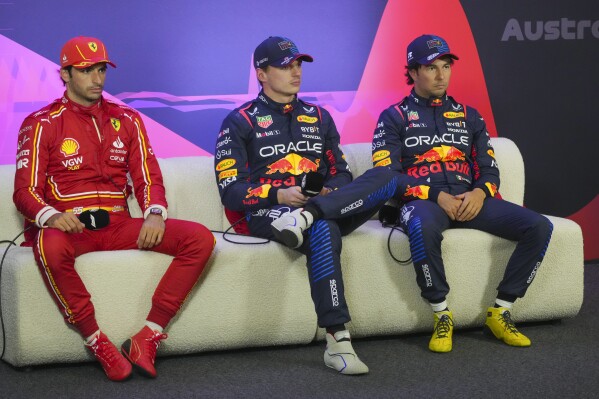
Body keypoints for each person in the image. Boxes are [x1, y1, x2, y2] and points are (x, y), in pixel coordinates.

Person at [13, 36, 215, 381]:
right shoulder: (42, 122)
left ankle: (147, 336)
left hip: (119, 225)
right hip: (71, 228)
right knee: (48, 244)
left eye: (102, 69)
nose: (97, 78)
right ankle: (97, 341)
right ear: (64, 74)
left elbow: (148, 176)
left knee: (200, 239)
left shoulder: (128, 119)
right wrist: (54, 216)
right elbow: (25, 192)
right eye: (86, 70)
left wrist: (154, 212)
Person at [215, 36, 399, 375]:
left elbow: (342, 174)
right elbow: (231, 191)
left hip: (319, 208)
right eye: (286, 66)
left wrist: (328, 192)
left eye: (298, 64)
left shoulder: (319, 116)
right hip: (268, 214)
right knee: (325, 229)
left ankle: (309, 216)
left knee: (388, 177)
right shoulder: (240, 121)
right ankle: (338, 340)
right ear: (262, 73)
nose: (296, 72)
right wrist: (279, 196)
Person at [371, 34, 553, 353]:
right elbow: (387, 175)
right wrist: (433, 195)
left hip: (471, 200)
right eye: (431, 68)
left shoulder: (470, 116)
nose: (441, 75)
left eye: (446, 66)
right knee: (421, 226)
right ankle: (442, 314)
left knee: (539, 226)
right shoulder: (393, 117)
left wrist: (481, 193)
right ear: (412, 72)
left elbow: (489, 167)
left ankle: (501, 310)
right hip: (424, 203)